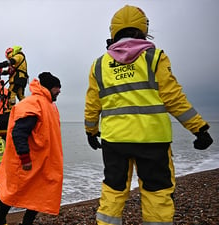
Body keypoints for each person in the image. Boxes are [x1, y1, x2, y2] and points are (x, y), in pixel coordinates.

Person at [84, 5, 214, 224]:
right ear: (143, 28)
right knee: (157, 194)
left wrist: (91, 131)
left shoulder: (99, 65)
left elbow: (92, 104)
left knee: (113, 191)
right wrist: (199, 128)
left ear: (113, 31)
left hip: (115, 140)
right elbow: (174, 98)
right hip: (152, 140)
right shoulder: (154, 58)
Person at [0, 72, 63, 225]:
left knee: (40, 193)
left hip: (44, 163)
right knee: (12, 193)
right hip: (28, 162)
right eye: (57, 88)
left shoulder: (50, 106)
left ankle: (27, 222)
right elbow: (19, 133)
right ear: (49, 87)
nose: (59, 91)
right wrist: (25, 158)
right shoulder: (33, 103)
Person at [0, 46, 28, 111]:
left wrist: (0, 65)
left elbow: (11, 61)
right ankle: (27, 108)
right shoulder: (20, 59)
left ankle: (11, 109)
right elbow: (9, 71)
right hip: (22, 79)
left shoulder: (18, 56)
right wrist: (1, 73)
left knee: (11, 92)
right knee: (20, 95)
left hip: (17, 78)